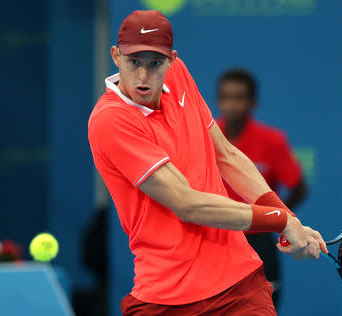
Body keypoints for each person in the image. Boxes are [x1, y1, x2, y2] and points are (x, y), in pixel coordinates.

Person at [88, 10, 327, 316]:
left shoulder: (179, 76)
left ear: (172, 60)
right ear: (116, 57)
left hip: (240, 288)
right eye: (134, 62)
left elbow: (226, 155)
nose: (144, 77)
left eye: (155, 63)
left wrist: (288, 218)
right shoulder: (110, 120)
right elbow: (187, 204)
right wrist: (280, 220)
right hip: (165, 298)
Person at [216, 68, 308, 306]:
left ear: (252, 102)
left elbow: (299, 187)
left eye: (238, 97)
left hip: (258, 242)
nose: (231, 104)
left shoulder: (272, 141)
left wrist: (281, 219)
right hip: (216, 241)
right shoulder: (205, 137)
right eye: (225, 97)